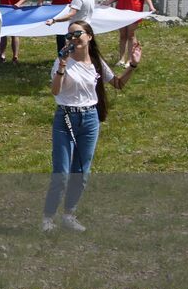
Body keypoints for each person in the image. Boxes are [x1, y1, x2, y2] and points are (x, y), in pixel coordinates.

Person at [42, 22, 141, 232]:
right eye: (69, 36)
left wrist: (132, 65)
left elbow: (118, 84)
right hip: (66, 118)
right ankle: (48, 219)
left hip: (89, 119)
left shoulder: (96, 62)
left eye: (78, 34)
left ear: (89, 36)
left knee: (82, 173)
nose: (73, 38)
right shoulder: (62, 62)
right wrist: (61, 66)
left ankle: (69, 215)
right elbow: (55, 91)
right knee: (62, 173)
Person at [110, 0, 155, 68]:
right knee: (122, 35)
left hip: (133, 11)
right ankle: (121, 59)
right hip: (121, 10)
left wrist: (150, 6)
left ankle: (130, 59)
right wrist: (108, 2)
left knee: (131, 35)